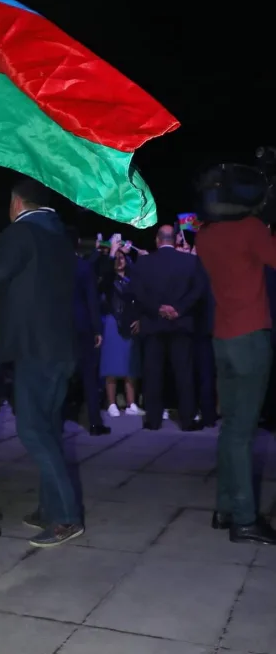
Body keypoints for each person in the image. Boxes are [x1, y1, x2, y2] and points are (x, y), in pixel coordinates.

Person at [0, 177, 81, 548]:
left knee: (32, 430)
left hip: (35, 349)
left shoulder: (22, 233)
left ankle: (65, 518)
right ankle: (49, 507)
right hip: (61, 347)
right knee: (49, 429)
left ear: (16, 203)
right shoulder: (60, 233)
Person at [196, 214, 276, 543]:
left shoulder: (206, 235)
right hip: (250, 337)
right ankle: (244, 519)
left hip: (223, 337)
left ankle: (224, 508)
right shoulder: (250, 228)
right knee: (243, 432)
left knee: (230, 428)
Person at [129, 225, 206, 431]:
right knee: (184, 374)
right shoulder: (190, 261)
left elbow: (137, 291)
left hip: (154, 325)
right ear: (173, 240)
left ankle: (153, 420)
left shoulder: (144, 262)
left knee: (153, 374)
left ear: (157, 240)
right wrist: (178, 309)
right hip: (181, 324)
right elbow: (199, 289)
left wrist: (158, 309)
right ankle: (187, 420)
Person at [66, 228, 109, 436]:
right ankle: (94, 421)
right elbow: (92, 301)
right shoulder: (83, 268)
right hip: (83, 325)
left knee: (62, 375)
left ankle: (58, 419)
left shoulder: (52, 268)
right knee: (89, 376)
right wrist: (97, 329)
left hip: (60, 327)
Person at [99, 245, 143, 420]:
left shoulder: (133, 278)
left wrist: (139, 319)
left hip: (130, 323)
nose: (119, 260)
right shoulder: (109, 279)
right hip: (112, 322)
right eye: (116, 258)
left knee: (130, 365)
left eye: (122, 257)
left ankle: (132, 403)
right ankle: (111, 404)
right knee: (111, 364)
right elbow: (103, 278)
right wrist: (111, 254)